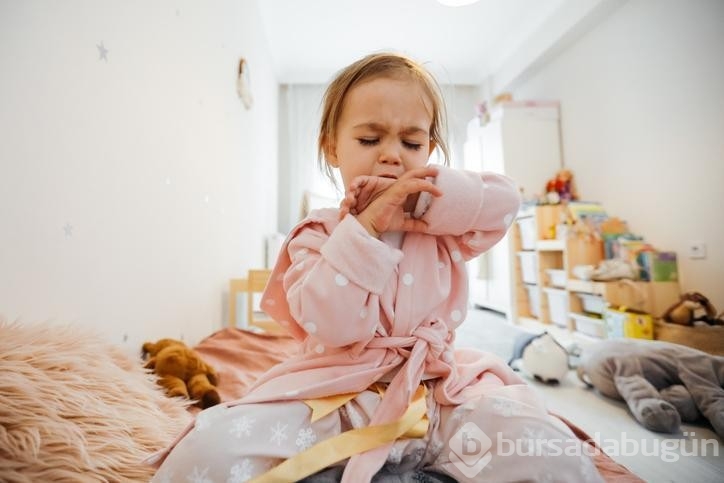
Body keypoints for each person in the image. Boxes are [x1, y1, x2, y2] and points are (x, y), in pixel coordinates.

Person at [150, 53, 602, 482]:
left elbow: (505, 202)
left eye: (411, 142)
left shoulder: (443, 221)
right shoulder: (318, 233)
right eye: (369, 140)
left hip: (439, 398)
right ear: (332, 148)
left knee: (549, 450)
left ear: (430, 149)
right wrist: (364, 228)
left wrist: (429, 200)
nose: (392, 155)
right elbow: (332, 324)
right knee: (211, 450)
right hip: (336, 399)